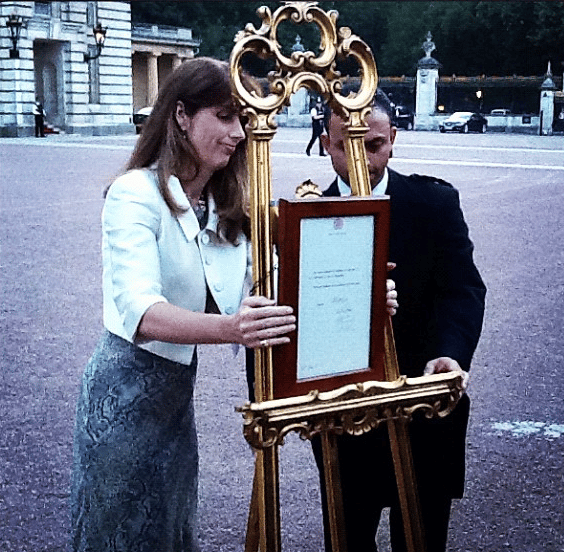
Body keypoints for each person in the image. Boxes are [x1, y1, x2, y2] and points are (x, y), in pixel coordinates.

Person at [70, 57, 296, 552]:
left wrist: (362, 298)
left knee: (171, 534)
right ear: (181, 116)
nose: (238, 132)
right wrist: (233, 328)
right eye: (224, 115)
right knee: (118, 538)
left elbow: (270, 290)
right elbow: (142, 312)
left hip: (175, 403)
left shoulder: (228, 206)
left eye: (242, 118)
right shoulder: (134, 193)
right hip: (120, 398)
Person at [312, 89, 486, 552]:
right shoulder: (305, 219)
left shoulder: (435, 204)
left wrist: (450, 352)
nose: (361, 159)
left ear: (393, 140)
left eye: (372, 145)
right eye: (344, 144)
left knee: (422, 540)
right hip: (344, 418)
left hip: (425, 408)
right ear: (326, 143)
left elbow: (463, 289)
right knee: (347, 540)